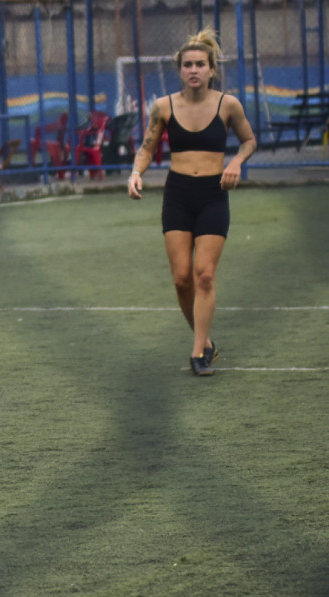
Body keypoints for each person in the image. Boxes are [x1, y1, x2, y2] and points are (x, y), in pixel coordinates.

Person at [128, 28, 256, 376]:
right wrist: (136, 173)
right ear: (180, 70)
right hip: (178, 195)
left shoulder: (228, 104)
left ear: (212, 69)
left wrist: (234, 162)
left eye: (201, 64)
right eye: (188, 65)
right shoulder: (164, 107)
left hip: (214, 195)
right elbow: (147, 147)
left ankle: (198, 353)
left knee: (204, 275)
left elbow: (248, 142)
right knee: (182, 278)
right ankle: (208, 342)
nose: (194, 70)